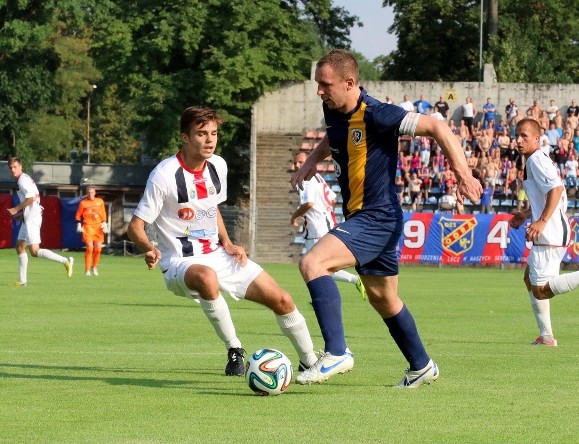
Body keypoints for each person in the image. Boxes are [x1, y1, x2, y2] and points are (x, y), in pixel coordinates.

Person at [290, 49, 482, 387]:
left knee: (313, 264)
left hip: (376, 217)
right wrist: (310, 161)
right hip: (368, 216)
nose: (319, 91)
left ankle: (337, 352)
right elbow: (335, 136)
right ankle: (421, 365)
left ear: (350, 82)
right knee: (383, 298)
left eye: (325, 84)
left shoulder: (379, 114)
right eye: (318, 85)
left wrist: (463, 174)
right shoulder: (333, 108)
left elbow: (437, 126)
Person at [127, 106, 317, 376]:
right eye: (202, 134)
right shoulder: (164, 175)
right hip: (181, 261)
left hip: (218, 254)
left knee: (283, 300)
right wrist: (148, 248)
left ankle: (309, 362)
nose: (210, 140)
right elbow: (135, 226)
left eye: (214, 133)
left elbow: (211, 207)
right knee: (206, 277)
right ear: (184, 137)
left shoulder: (218, 165)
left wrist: (227, 242)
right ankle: (234, 348)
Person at [508, 119, 579, 348]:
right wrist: (528, 214)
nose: (518, 140)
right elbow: (551, 195)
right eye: (517, 135)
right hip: (553, 227)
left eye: (524, 136)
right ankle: (546, 336)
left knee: (540, 290)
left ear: (537, 139)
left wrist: (541, 221)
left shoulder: (536, 160)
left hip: (550, 231)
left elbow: (557, 190)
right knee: (530, 278)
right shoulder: (537, 160)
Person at [291, 151, 366, 299]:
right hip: (326, 225)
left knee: (312, 266)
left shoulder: (306, 181)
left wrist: (295, 216)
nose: (297, 165)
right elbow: (332, 199)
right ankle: (330, 293)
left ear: (308, 163)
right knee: (320, 266)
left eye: (300, 162)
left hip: (316, 229)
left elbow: (309, 203)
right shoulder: (319, 178)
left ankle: (324, 297)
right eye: (295, 162)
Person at [6, 157, 74, 286]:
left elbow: (31, 199)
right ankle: (22, 281)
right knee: (20, 247)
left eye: (15, 167)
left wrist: (16, 209)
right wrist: (21, 213)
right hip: (29, 217)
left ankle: (66, 260)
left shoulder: (23, 180)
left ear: (21, 167)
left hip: (32, 218)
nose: (13, 170)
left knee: (35, 251)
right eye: (10, 168)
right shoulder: (23, 179)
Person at [75, 186, 108, 276]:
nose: (90, 194)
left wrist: (104, 222)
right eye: (89, 192)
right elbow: (78, 215)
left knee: (98, 249)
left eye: (92, 192)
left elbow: (103, 212)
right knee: (90, 248)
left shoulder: (100, 201)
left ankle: (94, 267)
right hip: (88, 227)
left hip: (98, 227)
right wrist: (78, 224)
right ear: (87, 193)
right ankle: (87, 269)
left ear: (95, 193)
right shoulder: (83, 203)